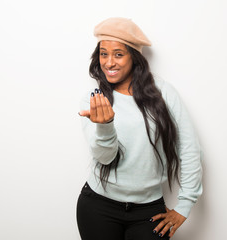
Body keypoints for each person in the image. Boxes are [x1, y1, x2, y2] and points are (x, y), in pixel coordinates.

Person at [77, 17, 203, 240]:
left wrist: (185, 205)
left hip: (149, 211)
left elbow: (189, 147)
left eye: (118, 54)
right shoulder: (94, 100)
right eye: (103, 53)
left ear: (134, 58)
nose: (109, 63)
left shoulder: (163, 93)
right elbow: (105, 158)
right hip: (98, 206)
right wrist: (105, 126)